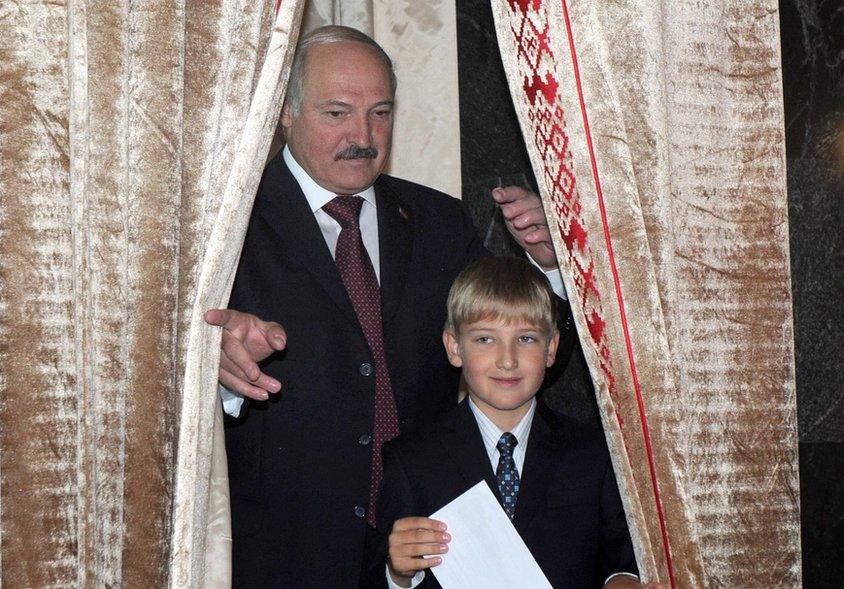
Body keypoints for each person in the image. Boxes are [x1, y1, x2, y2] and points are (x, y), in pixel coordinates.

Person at [204, 26, 567, 587]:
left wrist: (550, 266)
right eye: (337, 113)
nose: (363, 136)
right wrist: (220, 372)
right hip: (282, 551)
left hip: (430, 546)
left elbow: (528, 347)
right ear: (285, 111)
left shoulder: (438, 221)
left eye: (380, 112)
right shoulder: (224, 225)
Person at [375, 257, 642, 589]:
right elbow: (380, 574)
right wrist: (398, 574)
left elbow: (623, 559)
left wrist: (623, 580)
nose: (507, 359)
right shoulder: (412, 459)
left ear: (551, 348)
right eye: (485, 339)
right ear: (454, 348)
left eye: (526, 338)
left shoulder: (596, 453)